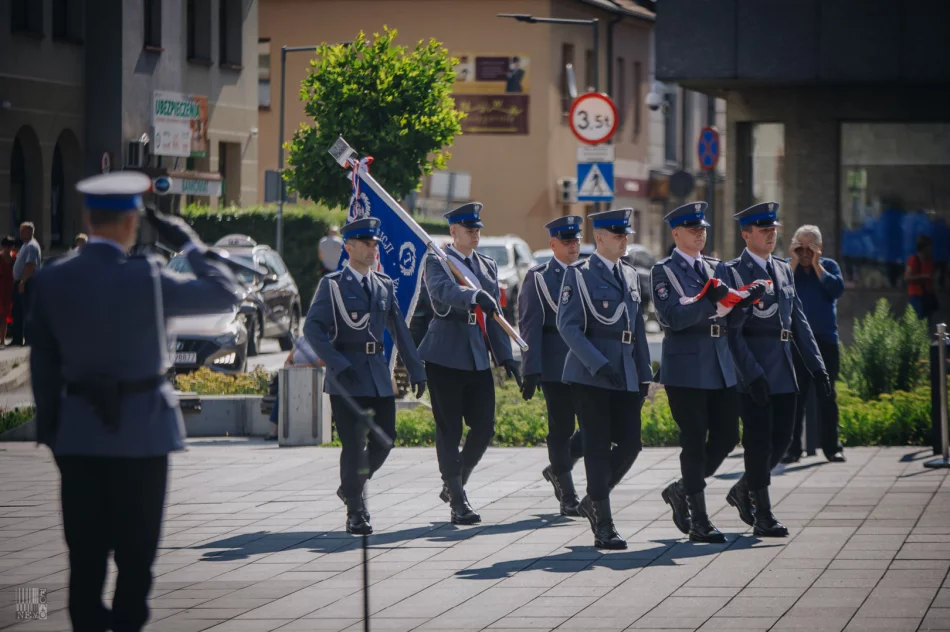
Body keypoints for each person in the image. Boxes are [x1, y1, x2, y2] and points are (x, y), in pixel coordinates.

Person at [30, 172, 241, 632]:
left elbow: (42, 364)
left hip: (79, 435)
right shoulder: (147, 277)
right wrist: (189, 243)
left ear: (88, 217)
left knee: (84, 560)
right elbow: (226, 293)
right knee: (136, 559)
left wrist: (53, 430)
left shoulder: (51, 281)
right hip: (143, 434)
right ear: (132, 222)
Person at [652, 202, 765, 543]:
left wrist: (744, 300)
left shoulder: (716, 266)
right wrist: (710, 303)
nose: (700, 233)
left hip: (719, 363)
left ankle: (682, 490)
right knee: (694, 441)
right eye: (692, 229)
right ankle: (699, 519)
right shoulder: (665, 271)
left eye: (702, 228)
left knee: (728, 436)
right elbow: (673, 317)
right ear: (676, 234)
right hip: (686, 366)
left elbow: (731, 315)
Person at [305, 217, 426, 535]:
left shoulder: (383, 284)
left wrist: (416, 369)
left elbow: (399, 328)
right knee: (353, 445)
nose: (373, 248)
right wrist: (336, 362)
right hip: (346, 377)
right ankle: (356, 511)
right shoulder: (332, 286)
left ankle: (350, 487)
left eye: (375, 243)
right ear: (350, 247)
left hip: (376, 374)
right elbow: (312, 328)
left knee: (385, 441)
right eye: (367, 243)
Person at [725, 202, 832, 538]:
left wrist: (818, 367)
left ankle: (744, 489)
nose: (771, 234)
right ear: (746, 234)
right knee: (758, 444)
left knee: (783, 441)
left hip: (784, 370)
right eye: (763, 229)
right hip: (753, 371)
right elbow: (732, 331)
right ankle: (763, 514)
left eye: (774, 228)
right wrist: (751, 374)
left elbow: (798, 321)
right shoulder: (733, 273)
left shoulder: (783, 269)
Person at [419, 202, 520, 525]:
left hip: (477, 355)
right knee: (449, 430)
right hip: (444, 354)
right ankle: (458, 501)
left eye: (477, 228)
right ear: (453, 232)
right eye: (468, 229)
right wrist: (472, 296)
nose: (475, 233)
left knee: (485, 427)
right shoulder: (438, 261)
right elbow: (441, 292)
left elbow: (494, 317)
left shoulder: (487, 265)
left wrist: (506, 357)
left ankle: (455, 480)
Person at [557, 208, 652, 549]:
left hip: (624, 372)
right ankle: (603, 522)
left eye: (626, 233)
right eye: (618, 234)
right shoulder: (580, 275)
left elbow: (637, 329)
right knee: (597, 447)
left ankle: (593, 499)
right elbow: (567, 326)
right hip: (591, 374)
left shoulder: (629, 275)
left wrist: (644, 375)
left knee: (631, 443)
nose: (625, 239)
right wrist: (597, 364)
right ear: (599, 238)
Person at [518, 216, 586, 516]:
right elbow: (529, 324)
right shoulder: (540, 278)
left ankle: (558, 468)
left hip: (587, 362)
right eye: (567, 241)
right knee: (561, 428)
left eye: (576, 240)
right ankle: (567, 493)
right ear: (553, 244)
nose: (573, 246)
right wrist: (530, 368)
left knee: (595, 427)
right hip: (556, 363)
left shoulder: (588, 273)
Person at [784, 225, 846, 463]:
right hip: (797, 342)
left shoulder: (828, 266)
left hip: (825, 342)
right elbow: (779, 290)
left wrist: (818, 264)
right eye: (800, 247)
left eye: (810, 248)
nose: (805, 253)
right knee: (795, 397)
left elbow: (836, 290)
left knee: (827, 397)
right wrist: (793, 260)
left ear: (819, 248)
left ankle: (832, 448)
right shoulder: (789, 269)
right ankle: (792, 449)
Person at [264, 335, 322, 441]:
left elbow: (322, 363)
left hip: (314, 379)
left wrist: (297, 368)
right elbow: (288, 361)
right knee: (284, 392)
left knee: (287, 391)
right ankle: (277, 430)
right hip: (294, 378)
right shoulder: (302, 339)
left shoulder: (324, 338)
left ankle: (278, 431)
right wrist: (289, 367)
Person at [11, 221, 40, 346]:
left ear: (29, 232)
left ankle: (28, 340)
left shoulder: (31, 246)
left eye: (23, 231)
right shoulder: (25, 245)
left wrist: (22, 282)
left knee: (25, 311)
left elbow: (30, 266)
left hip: (26, 283)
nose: (20, 233)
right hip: (20, 281)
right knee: (17, 311)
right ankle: (17, 339)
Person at [906, 234, 938, 324]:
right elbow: (907, 278)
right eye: (929, 246)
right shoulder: (913, 260)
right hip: (916, 296)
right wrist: (923, 276)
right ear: (924, 248)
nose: (931, 248)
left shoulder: (930, 260)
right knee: (917, 323)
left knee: (926, 323)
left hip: (927, 295)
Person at [0, 237, 16, 346]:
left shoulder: (15, 257)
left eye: (10, 246)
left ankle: (2, 339)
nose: (8, 248)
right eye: (6, 246)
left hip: (9, 286)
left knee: (5, 314)